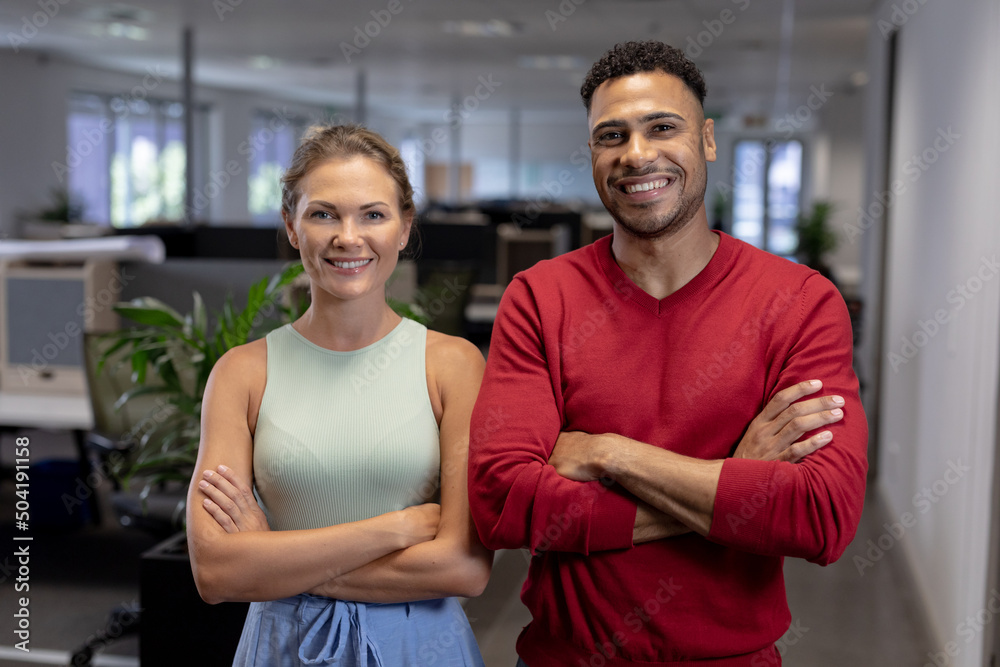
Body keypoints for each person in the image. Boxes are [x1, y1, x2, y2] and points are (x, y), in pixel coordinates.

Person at [468, 41, 868, 666]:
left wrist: (607, 452)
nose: (636, 154)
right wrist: (736, 479)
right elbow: (503, 505)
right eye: (611, 135)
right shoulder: (540, 297)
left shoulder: (801, 301)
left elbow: (821, 517)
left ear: (707, 139)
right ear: (592, 153)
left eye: (662, 127)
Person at [186, 124, 492, 666]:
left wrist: (276, 561)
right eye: (323, 213)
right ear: (291, 225)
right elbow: (216, 573)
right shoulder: (242, 373)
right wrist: (395, 528)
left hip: (419, 645)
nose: (348, 237)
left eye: (373, 214)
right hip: (282, 646)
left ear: (403, 228)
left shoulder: (453, 365)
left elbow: (462, 568)